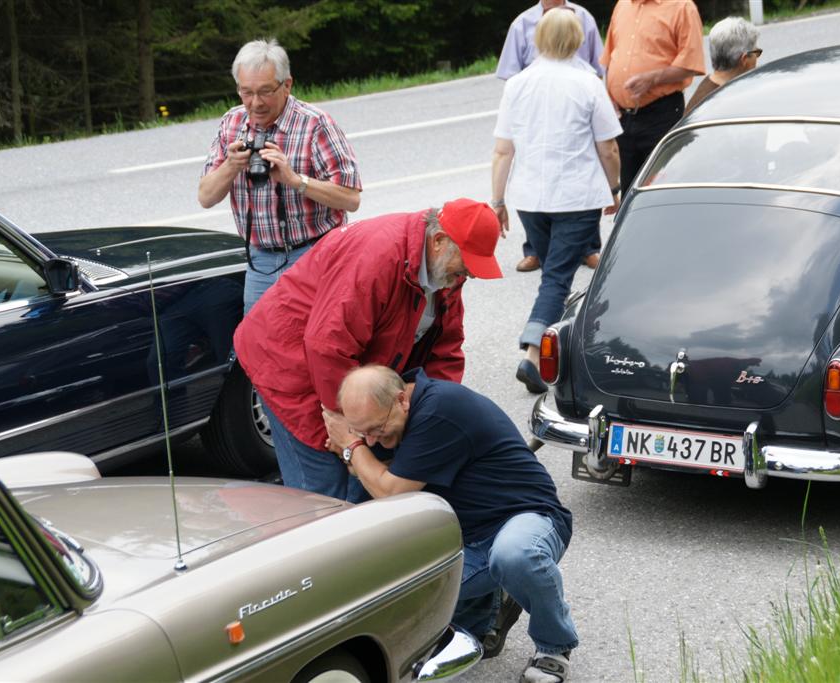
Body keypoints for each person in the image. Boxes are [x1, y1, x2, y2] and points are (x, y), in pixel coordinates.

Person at [234, 199, 503, 502]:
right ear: (439, 241)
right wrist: (349, 433)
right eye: (466, 264)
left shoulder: (446, 272)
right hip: (289, 365)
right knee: (324, 492)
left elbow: (446, 350)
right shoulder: (379, 256)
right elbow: (327, 346)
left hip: (347, 369)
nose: (470, 275)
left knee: (363, 477)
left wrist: (430, 413)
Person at [322, 365, 578, 683]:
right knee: (396, 597)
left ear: (402, 399)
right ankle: (496, 602)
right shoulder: (391, 417)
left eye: (377, 429)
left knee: (515, 555)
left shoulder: (439, 411)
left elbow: (388, 491)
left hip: (527, 519)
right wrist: (361, 449)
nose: (374, 439)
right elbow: (371, 472)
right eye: (364, 433)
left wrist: (351, 446)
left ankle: (554, 646)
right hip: (465, 540)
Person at [491, 8, 622, 394]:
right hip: (575, 195)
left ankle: (559, 347)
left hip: (530, 198)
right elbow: (609, 147)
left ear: (538, 39)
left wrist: (498, 200)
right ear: (579, 40)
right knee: (557, 278)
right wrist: (613, 188)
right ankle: (534, 354)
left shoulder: (517, 84)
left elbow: (502, 150)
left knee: (553, 276)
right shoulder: (588, 84)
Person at [198, 38, 362, 313]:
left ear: (287, 85)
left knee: (316, 342)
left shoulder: (314, 124)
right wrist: (232, 165)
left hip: (316, 254)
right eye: (246, 92)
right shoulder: (232, 122)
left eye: (265, 92)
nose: (255, 103)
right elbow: (205, 197)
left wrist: (294, 180)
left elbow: (351, 199)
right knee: (259, 347)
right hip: (260, 261)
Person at [497, 0, 606, 274]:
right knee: (534, 175)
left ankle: (589, 248)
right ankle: (534, 249)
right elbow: (511, 73)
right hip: (536, 109)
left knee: (583, 170)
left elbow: (597, 63)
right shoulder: (521, 23)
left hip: (576, 104)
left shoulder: (583, 17)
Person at [601, 0, 705, 196]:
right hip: (623, 117)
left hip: (660, 114)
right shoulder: (623, 5)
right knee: (629, 194)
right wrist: (609, 96)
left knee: (660, 191)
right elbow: (609, 57)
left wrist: (654, 78)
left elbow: (692, 63)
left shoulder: (682, 7)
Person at [683, 17, 762, 115]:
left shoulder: (710, 90)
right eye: (757, 52)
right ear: (744, 59)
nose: (757, 57)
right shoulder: (722, 104)